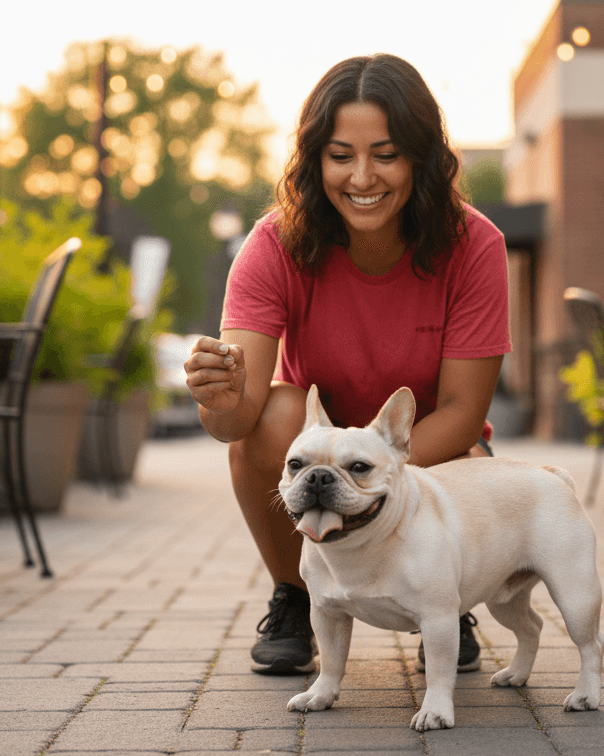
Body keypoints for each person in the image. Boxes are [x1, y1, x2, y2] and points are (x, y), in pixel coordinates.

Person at [184, 53, 511, 675]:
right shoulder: (272, 245)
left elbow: (464, 413)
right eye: (340, 155)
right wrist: (220, 398)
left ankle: (445, 599)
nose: (362, 177)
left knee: (471, 462)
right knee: (274, 414)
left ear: (420, 158)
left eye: (386, 154)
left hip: (430, 451)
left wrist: (376, 471)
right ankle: (294, 594)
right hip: (322, 445)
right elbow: (237, 424)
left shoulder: (476, 245)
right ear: (315, 161)